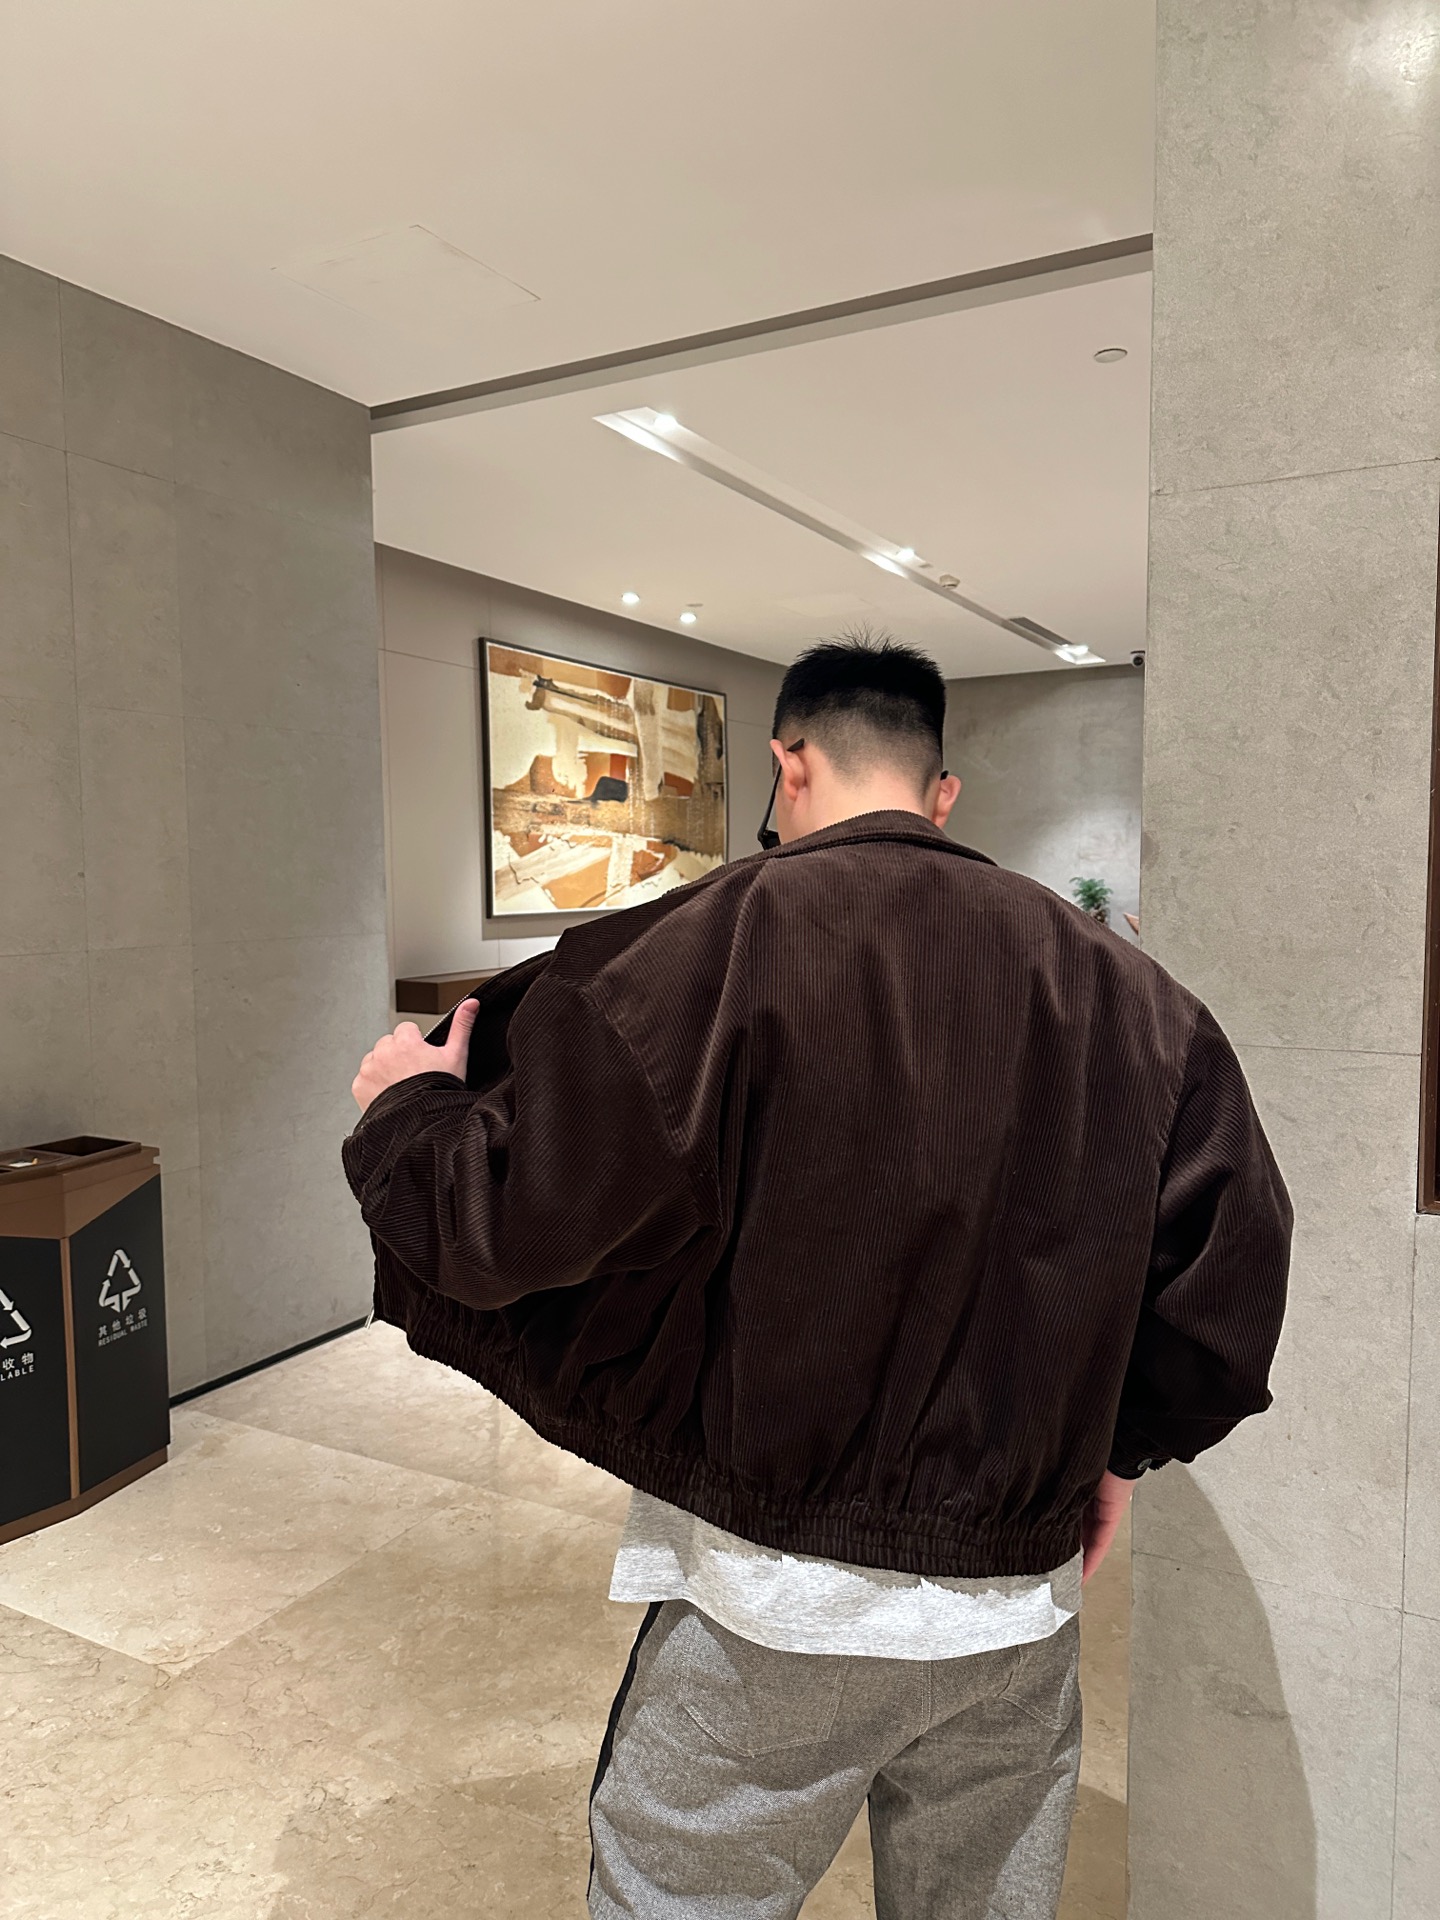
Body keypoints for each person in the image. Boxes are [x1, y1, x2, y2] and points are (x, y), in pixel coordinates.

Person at [344, 634, 1292, 1920]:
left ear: (788, 763)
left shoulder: (718, 940)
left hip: (772, 1603)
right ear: (941, 790)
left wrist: (407, 1114)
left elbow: (517, 1218)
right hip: (1016, 1616)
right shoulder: (1137, 997)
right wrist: (1120, 1450)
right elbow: (1226, 1282)